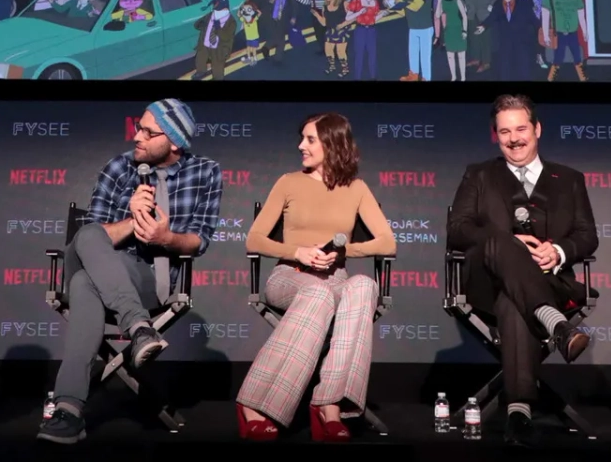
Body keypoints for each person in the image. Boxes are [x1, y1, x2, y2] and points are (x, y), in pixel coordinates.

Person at [38, 100, 224, 444]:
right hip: (99, 258)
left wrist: (165, 237)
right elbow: (89, 237)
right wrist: (130, 217)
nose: (136, 136)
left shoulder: (206, 173)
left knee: (83, 285)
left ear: (173, 142)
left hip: (150, 277)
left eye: (147, 132)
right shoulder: (118, 167)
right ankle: (139, 328)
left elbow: (200, 240)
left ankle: (68, 411)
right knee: (88, 238)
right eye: (138, 127)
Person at [448, 95, 598, 445]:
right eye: (504, 131)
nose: (514, 139)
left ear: (537, 129)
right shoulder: (479, 175)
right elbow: (457, 229)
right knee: (502, 242)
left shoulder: (570, 179)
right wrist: (509, 244)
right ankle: (554, 323)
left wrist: (558, 251)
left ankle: (518, 412)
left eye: (520, 129)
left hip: (551, 281)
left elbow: (587, 237)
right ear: (495, 136)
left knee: (513, 304)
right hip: (487, 279)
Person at [237, 114, 396, 441]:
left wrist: (343, 252)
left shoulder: (357, 188)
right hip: (289, 276)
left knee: (365, 286)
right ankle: (256, 405)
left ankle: (330, 404)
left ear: (333, 143)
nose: (301, 146)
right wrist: (298, 252)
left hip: (335, 278)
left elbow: (387, 242)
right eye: (302, 139)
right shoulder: (288, 182)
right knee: (319, 294)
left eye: (310, 139)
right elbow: (254, 239)